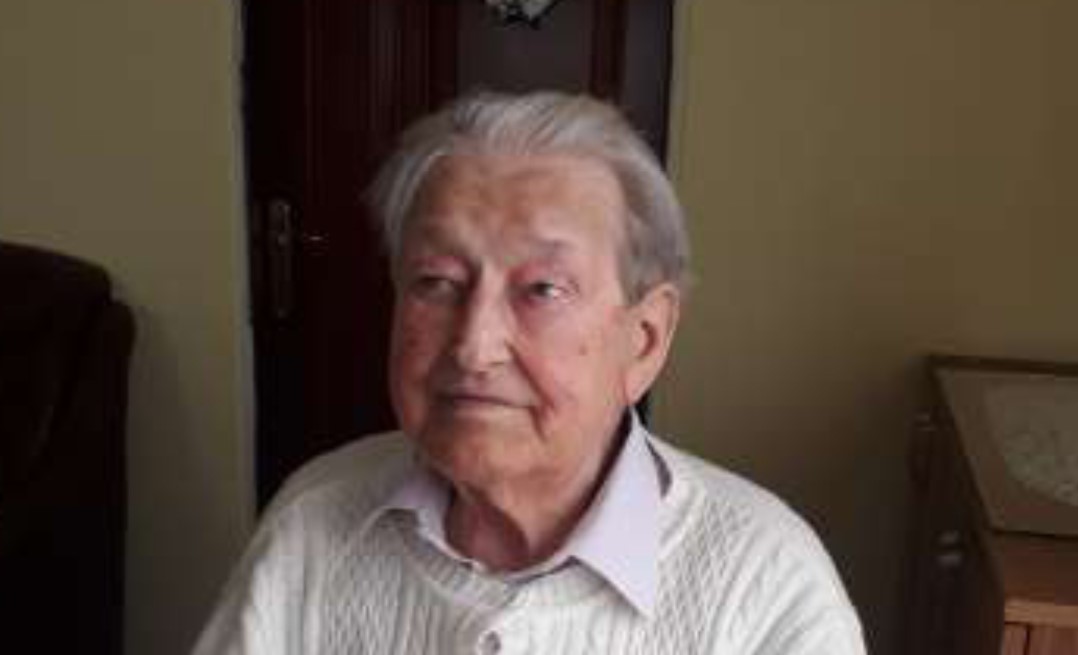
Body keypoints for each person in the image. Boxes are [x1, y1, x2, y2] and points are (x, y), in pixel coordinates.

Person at [193, 91, 866, 654]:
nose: (474, 346)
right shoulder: (311, 523)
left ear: (644, 340)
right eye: (436, 281)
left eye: (542, 288)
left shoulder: (763, 585)